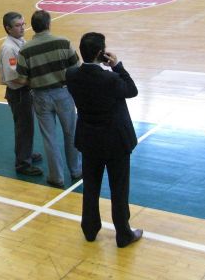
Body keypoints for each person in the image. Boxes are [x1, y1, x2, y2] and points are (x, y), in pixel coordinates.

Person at [66, 32, 142, 248]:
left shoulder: (71, 75)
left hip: (89, 140)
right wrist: (117, 65)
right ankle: (123, 233)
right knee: (119, 188)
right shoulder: (110, 78)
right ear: (102, 53)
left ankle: (89, 229)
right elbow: (132, 90)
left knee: (91, 186)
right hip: (115, 141)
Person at [16, 10, 82, 189]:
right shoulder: (63, 42)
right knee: (71, 133)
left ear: (33, 27)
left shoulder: (25, 49)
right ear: (49, 24)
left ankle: (56, 177)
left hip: (40, 96)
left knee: (49, 137)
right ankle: (75, 171)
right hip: (63, 94)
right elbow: (76, 68)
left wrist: (37, 80)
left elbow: (22, 79)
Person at [0, 12, 43, 176]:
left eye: (23, 24)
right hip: (18, 93)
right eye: (18, 25)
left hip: (24, 91)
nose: (22, 28)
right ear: (8, 28)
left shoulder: (20, 41)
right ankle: (23, 163)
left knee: (28, 126)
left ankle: (27, 153)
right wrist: (35, 82)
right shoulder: (9, 48)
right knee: (24, 127)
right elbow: (14, 77)